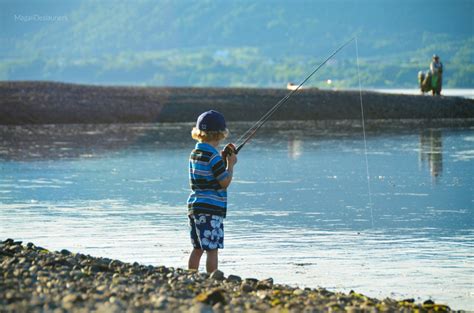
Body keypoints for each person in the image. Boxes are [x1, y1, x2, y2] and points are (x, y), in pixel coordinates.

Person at [187, 110, 237, 273]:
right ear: (220, 134)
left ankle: (191, 276)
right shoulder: (213, 157)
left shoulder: (195, 154)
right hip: (211, 209)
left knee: (198, 247)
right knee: (212, 249)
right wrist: (230, 165)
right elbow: (224, 182)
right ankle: (212, 278)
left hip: (195, 207)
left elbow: (207, 175)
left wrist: (222, 160)